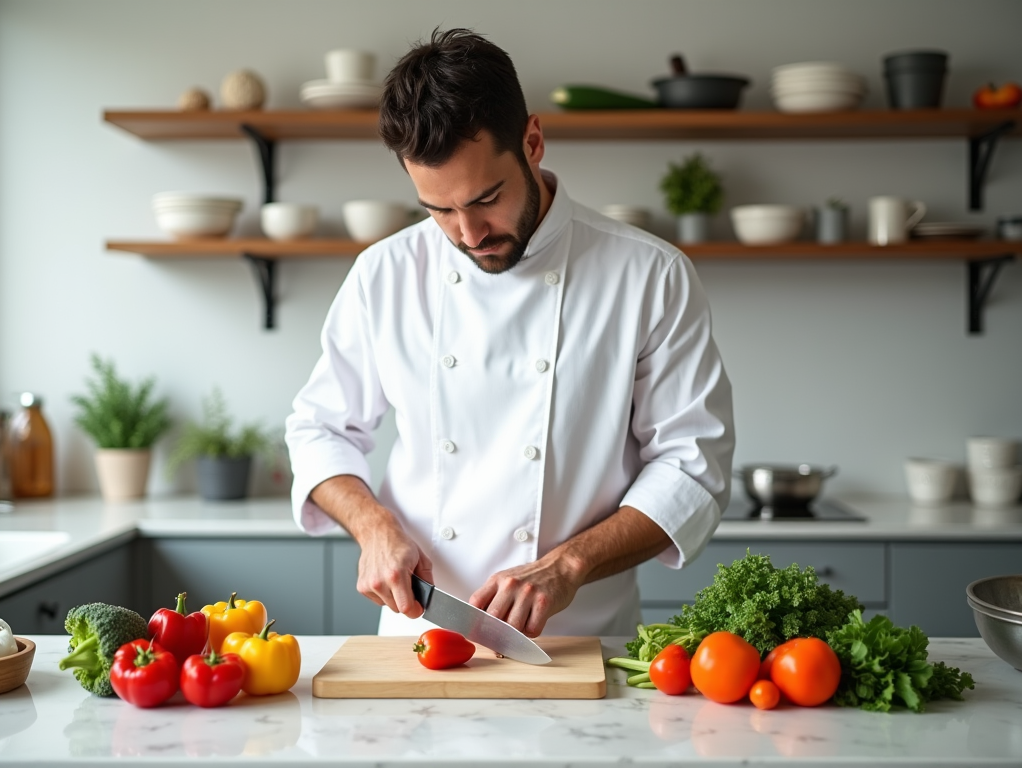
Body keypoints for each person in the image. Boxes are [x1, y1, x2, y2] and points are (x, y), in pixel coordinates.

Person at [285, 28, 734, 638]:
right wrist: (372, 526)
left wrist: (567, 566)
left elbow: (691, 465)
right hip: (422, 639)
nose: (468, 234)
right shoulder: (384, 274)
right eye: (439, 211)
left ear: (533, 141)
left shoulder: (649, 275)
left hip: (582, 645)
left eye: (486, 198)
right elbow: (320, 429)